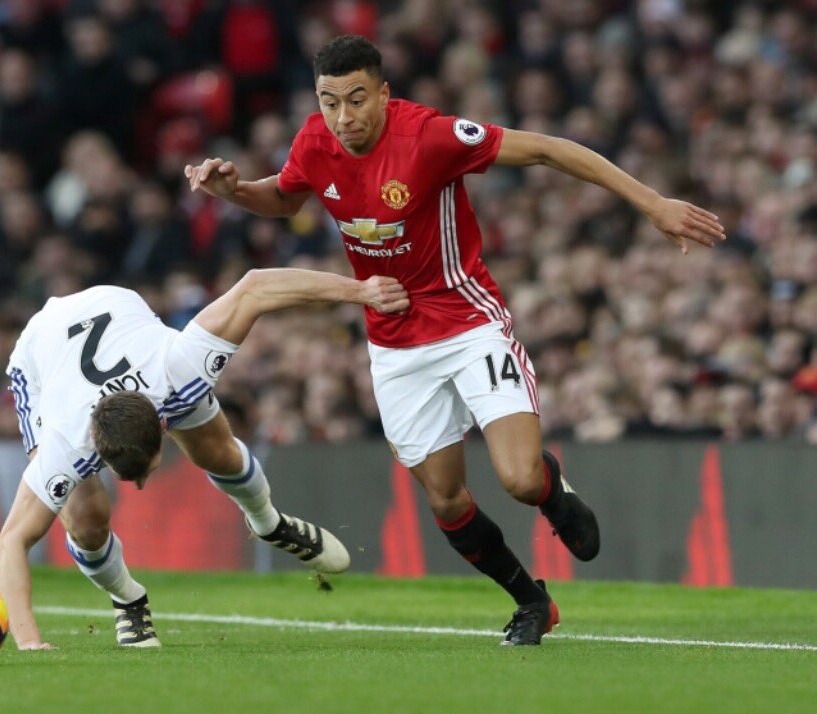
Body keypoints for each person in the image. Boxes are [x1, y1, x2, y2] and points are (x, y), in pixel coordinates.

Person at [184, 35, 726, 645]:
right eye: (330, 102)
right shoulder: (314, 140)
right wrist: (232, 190)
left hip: (467, 324)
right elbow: (283, 198)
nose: (344, 117)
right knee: (446, 501)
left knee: (519, 480)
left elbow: (545, 151)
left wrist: (651, 203)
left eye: (357, 100)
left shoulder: (430, 137)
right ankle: (530, 601)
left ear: (384, 95)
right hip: (393, 347)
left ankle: (551, 488)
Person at [0, 267, 408, 650]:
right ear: (97, 449)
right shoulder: (64, 443)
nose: (140, 487)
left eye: (145, 473)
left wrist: (361, 291)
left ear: (162, 426)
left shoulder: (180, 367)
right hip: (40, 355)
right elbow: (10, 543)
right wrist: (29, 641)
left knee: (217, 452)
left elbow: (255, 286)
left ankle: (268, 523)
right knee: (85, 518)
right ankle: (129, 600)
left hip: (115, 310)